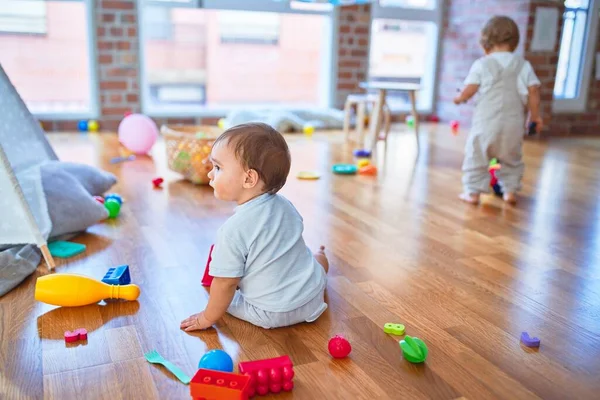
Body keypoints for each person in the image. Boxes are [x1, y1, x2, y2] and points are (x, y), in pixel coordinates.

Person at [180, 123, 329, 331]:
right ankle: (321, 257)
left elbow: (225, 283)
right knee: (315, 262)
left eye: (218, 168)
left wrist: (206, 318)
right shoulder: (286, 204)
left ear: (249, 178)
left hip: (271, 313)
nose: (210, 175)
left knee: (224, 298)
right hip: (312, 297)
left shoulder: (231, 231)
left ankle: (317, 261)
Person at [454, 15, 542, 204]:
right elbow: (533, 90)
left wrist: (460, 97)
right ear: (515, 42)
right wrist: (534, 117)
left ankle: (473, 193)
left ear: (485, 42)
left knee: (476, 157)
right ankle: (510, 191)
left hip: (486, 125)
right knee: (512, 159)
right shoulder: (523, 65)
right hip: (513, 125)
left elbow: (470, 88)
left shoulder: (482, 64)